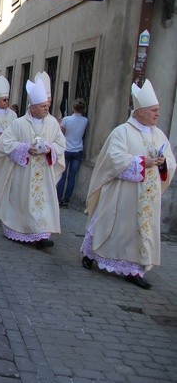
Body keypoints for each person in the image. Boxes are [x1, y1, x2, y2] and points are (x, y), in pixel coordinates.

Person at [81, 80, 175, 289]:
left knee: (140, 231)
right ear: (140, 111)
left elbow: (170, 159)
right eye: (154, 110)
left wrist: (162, 163)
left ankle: (134, 269)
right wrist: (142, 162)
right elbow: (114, 159)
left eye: (158, 110)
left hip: (147, 196)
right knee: (110, 225)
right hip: (122, 193)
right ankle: (92, 254)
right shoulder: (122, 132)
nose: (158, 114)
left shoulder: (159, 134)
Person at [0, 78, 65, 249]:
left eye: (47, 105)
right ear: (32, 108)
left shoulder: (52, 123)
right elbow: (5, 143)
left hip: (43, 173)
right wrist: (25, 148)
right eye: (42, 106)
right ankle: (18, 229)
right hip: (23, 171)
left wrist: (49, 149)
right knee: (22, 201)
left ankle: (42, 234)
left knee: (43, 202)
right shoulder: (18, 124)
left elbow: (61, 143)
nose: (47, 108)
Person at [56, 98, 88, 208]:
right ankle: (66, 200)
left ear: (73, 107)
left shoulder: (66, 119)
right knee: (72, 177)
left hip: (66, 149)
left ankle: (58, 199)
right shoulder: (85, 121)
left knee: (63, 176)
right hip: (77, 150)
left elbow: (62, 134)